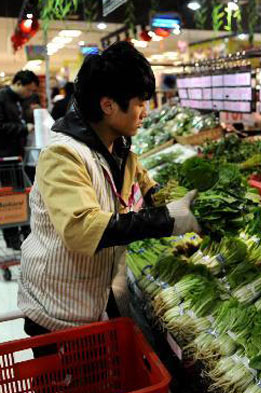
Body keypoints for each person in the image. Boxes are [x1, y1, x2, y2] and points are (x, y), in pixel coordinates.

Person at [18, 42, 199, 349]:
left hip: (94, 294)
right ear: (108, 105)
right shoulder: (63, 155)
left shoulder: (119, 146)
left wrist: (174, 200)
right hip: (56, 311)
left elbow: (145, 186)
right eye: (139, 102)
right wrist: (167, 220)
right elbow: (81, 228)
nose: (145, 112)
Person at [0, 70, 39, 250]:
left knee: (22, 194)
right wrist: (23, 128)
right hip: (6, 157)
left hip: (18, 155)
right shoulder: (2, 98)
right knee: (11, 198)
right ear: (18, 83)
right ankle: (12, 237)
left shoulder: (19, 101)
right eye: (28, 90)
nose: (29, 94)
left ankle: (25, 233)